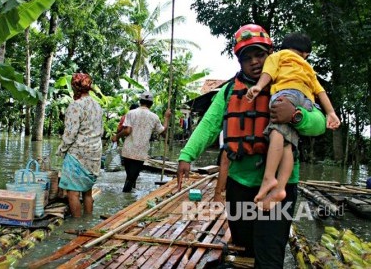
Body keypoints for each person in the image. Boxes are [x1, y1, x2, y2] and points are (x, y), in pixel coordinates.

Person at [177, 24, 326, 267]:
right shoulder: (228, 91)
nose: (255, 62)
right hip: (240, 184)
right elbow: (209, 125)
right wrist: (186, 155)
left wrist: (297, 115)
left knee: (269, 256)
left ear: (270, 55)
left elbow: (320, 124)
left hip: (280, 187)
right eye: (247, 58)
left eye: (260, 55)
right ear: (239, 61)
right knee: (245, 249)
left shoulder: (289, 83)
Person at [245, 32, 341, 209]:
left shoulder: (278, 56)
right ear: (306, 54)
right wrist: (331, 113)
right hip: (307, 101)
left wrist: (258, 86)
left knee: (276, 131)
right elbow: (320, 92)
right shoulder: (307, 67)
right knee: (288, 143)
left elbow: (268, 72)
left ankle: (269, 177)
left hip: (286, 94)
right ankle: (280, 188)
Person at [56, 73, 103, 218]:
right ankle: (87, 222)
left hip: (78, 154)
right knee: (87, 191)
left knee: (73, 193)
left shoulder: (75, 106)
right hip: (95, 152)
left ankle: (77, 224)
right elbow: (101, 130)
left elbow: (70, 134)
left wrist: (61, 150)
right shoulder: (97, 105)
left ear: (75, 87)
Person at [112, 91, 171, 192]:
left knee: (130, 177)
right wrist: (166, 118)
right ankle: (127, 199)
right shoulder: (154, 117)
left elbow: (127, 130)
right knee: (131, 178)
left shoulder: (131, 113)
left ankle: (128, 197)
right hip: (141, 152)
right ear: (151, 104)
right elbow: (163, 132)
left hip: (128, 150)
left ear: (140, 101)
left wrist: (117, 136)